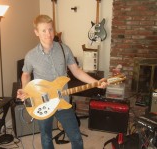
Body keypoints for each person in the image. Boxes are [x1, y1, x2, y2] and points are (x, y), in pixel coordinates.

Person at [17, 14, 108, 149]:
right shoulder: (31, 56)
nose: (48, 34)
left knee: (76, 137)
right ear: (36, 32)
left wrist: (97, 82)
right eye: (44, 30)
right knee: (46, 137)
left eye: (50, 29)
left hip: (62, 101)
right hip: (42, 102)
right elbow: (25, 74)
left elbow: (76, 71)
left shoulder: (64, 49)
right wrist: (25, 89)